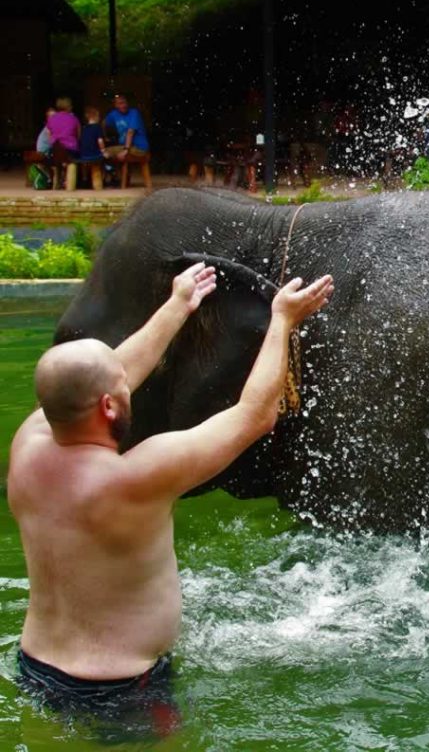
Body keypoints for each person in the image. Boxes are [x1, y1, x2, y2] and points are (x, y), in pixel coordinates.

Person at [7, 262, 333, 737]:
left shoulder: (28, 445)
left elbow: (112, 372)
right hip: (121, 691)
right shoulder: (137, 476)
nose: (128, 383)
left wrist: (179, 304)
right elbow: (254, 416)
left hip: (35, 671)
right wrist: (282, 319)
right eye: (121, 388)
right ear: (108, 406)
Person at [104, 93, 150, 161]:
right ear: (115, 105)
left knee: (105, 152)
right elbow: (103, 123)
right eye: (120, 103)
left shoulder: (134, 113)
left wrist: (126, 150)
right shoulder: (113, 114)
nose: (124, 105)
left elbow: (130, 132)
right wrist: (105, 136)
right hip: (124, 146)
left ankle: (110, 170)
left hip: (139, 148)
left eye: (125, 102)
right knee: (104, 153)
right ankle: (112, 170)